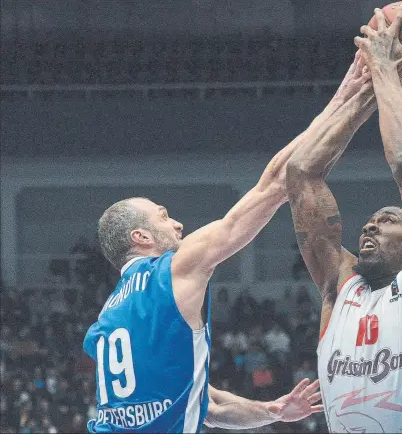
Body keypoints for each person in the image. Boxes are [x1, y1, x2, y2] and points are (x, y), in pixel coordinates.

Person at [81, 54, 376, 433]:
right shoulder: (171, 272)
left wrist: (273, 411)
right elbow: (273, 187)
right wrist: (348, 97)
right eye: (162, 215)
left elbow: (205, 403)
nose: (177, 222)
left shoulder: (106, 320)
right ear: (141, 238)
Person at [286, 7, 402, 433]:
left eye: (388, 220)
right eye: (370, 221)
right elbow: (300, 174)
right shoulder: (339, 286)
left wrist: (387, 73)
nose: (369, 226)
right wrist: (367, 95)